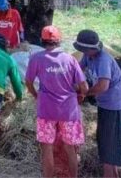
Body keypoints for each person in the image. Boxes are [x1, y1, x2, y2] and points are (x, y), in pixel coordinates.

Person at [25, 26, 88, 178]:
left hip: (46, 110)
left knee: (47, 148)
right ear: (59, 41)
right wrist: (81, 97)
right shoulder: (70, 59)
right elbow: (84, 86)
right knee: (70, 148)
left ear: (42, 40)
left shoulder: (36, 58)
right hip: (69, 110)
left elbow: (28, 82)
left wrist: (36, 95)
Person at [74, 30, 121, 178]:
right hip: (105, 104)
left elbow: (103, 86)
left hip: (114, 105)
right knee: (103, 139)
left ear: (91, 48)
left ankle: (109, 174)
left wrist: (84, 93)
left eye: (83, 50)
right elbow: (78, 69)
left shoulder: (103, 60)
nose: (82, 52)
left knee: (108, 142)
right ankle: (113, 173)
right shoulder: (88, 56)